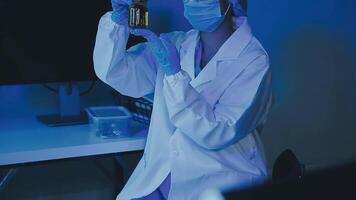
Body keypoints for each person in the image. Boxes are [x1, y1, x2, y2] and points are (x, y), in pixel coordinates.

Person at [93, 0, 273, 199]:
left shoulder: (254, 61)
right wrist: (118, 23)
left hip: (222, 182)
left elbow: (217, 133)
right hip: (160, 177)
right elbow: (115, 73)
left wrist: (174, 74)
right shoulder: (177, 44)